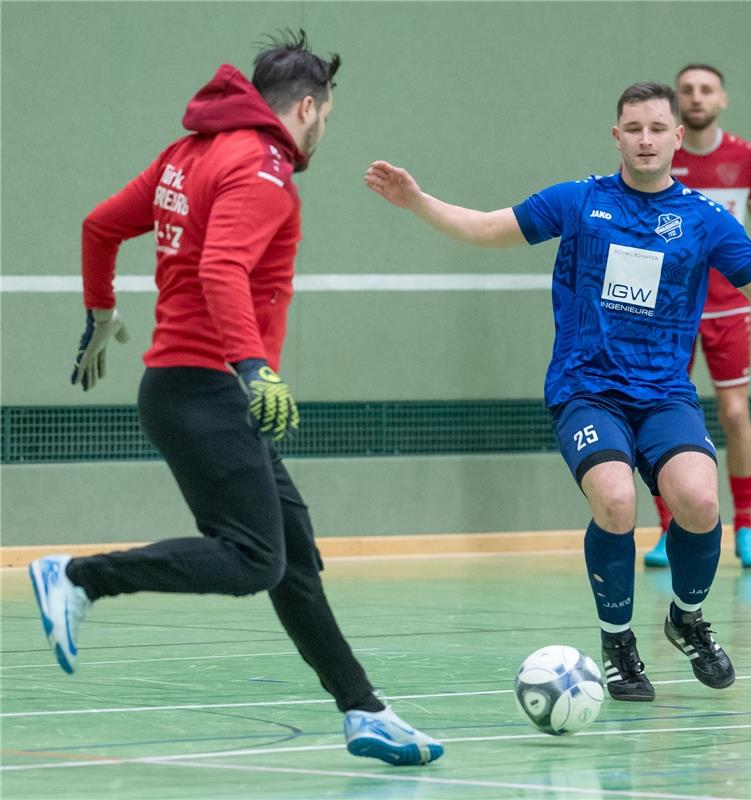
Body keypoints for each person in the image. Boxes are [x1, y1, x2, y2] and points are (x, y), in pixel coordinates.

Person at [28, 30, 443, 767]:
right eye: (327, 115)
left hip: (186, 388)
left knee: (295, 558)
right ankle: (79, 577)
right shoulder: (262, 168)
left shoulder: (186, 154)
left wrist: (100, 313)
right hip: (208, 387)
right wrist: (253, 367)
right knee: (254, 559)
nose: (324, 129)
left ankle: (365, 712)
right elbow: (222, 268)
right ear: (309, 106)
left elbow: (99, 226)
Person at [365, 82, 751, 701]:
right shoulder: (579, 202)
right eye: (633, 128)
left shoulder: (704, 220)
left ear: (675, 138)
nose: (645, 139)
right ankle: (617, 642)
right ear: (617, 136)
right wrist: (417, 201)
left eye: (657, 129)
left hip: (664, 395)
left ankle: (686, 620)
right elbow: (487, 227)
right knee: (614, 501)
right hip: (587, 392)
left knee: (699, 501)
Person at [645, 64, 751, 569]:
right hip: (667, 313)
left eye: (706, 90)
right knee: (658, 414)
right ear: (677, 104)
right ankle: (665, 530)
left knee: (735, 413)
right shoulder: (659, 156)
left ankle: (745, 526)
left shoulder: (748, 159)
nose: (697, 97)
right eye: (687, 90)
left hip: (729, 308)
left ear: (722, 98)